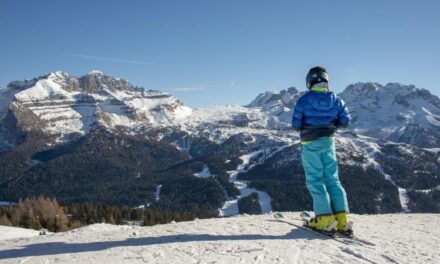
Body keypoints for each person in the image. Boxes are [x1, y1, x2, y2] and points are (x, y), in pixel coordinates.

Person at [292, 66, 352, 235]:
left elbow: (296, 124)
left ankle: (325, 220)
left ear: (309, 82)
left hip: (310, 143)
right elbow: (346, 120)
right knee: (333, 179)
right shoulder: (336, 99)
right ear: (327, 81)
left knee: (315, 180)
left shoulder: (304, 100)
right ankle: (342, 221)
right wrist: (332, 124)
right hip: (329, 142)